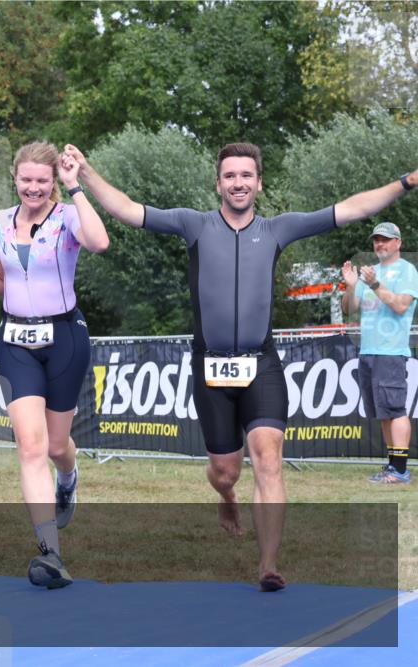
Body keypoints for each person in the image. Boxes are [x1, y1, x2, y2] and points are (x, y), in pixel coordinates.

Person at [70, 141, 417, 591]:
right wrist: (84, 174)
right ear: (218, 183)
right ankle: (227, 497)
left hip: (262, 364)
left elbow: (351, 208)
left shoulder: (277, 229)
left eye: (246, 175)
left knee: (269, 460)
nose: (238, 182)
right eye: (230, 175)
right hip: (210, 366)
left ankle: (268, 565)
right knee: (225, 470)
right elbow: (129, 210)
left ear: (259, 183)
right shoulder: (193, 225)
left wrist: (407, 182)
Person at [0, 142, 109, 589]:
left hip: (65, 338)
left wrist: (76, 188)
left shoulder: (69, 215)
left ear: (53, 181)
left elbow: (100, 242)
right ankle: (50, 553)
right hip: (15, 341)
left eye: (42, 180)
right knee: (30, 448)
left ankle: (68, 477)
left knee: (55, 447)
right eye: (26, 180)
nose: (33, 188)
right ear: (15, 178)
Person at [341, 222, 418, 484]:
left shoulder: (407, 271)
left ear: (398, 242)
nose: (380, 244)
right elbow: (349, 308)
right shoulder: (369, 274)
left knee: (396, 411)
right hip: (369, 351)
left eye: (385, 239)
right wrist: (352, 285)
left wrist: (374, 284)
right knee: (384, 412)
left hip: (391, 351)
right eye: (376, 240)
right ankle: (392, 467)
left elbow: (400, 305)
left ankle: (400, 470)